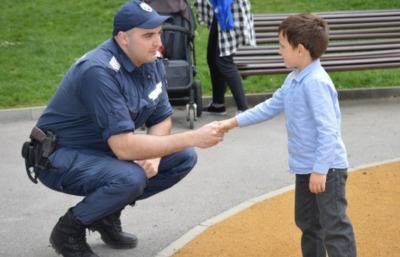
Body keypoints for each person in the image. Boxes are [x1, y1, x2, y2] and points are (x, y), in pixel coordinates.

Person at [26, 1, 225, 256]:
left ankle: (104, 214)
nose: (157, 42)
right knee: (131, 177)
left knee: (183, 157)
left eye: (159, 33)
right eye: (148, 35)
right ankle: (68, 230)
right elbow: (123, 147)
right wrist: (194, 136)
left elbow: (162, 118)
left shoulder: (151, 60)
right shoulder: (98, 71)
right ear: (123, 38)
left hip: (103, 151)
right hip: (58, 157)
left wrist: (154, 156)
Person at [218, 13, 357, 257]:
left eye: (282, 46)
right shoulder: (294, 79)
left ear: (300, 50)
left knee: (334, 226)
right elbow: (270, 106)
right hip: (306, 167)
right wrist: (231, 122)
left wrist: (320, 170)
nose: (279, 51)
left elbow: (328, 131)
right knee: (308, 224)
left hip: (326, 170)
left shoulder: (315, 83)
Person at [194, 0, 256, 116]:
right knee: (212, 59)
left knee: (224, 61)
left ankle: (243, 109)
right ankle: (218, 104)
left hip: (229, 10)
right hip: (221, 9)